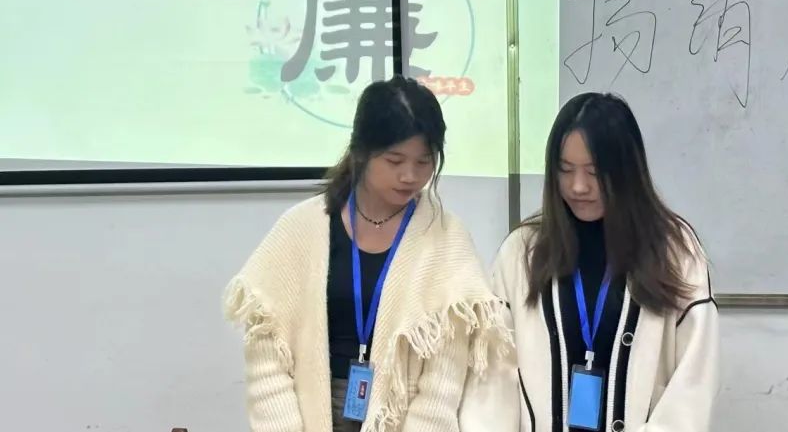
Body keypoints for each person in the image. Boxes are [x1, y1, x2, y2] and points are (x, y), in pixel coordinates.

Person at [224, 76, 512, 432]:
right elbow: (267, 351)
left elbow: (442, 385)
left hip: (401, 418)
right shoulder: (303, 228)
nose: (410, 176)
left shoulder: (446, 239)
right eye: (394, 160)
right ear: (361, 151)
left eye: (424, 162)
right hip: (310, 411)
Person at [491, 92, 719, 432]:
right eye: (565, 170)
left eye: (594, 172)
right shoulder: (522, 252)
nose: (578, 186)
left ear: (627, 171)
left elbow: (693, 385)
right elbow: (494, 377)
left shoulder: (674, 250)